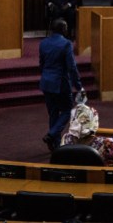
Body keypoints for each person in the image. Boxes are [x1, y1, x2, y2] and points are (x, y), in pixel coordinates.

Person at [39, 18, 83, 151]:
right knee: (67, 111)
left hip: (46, 82)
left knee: (53, 113)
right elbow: (71, 67)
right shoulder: (66, 44)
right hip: (60, 83)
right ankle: (52, 135)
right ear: (63, 29)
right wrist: (79, 86)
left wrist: (46, 76)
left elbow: (42, 64)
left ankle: (55, 145)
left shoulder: (43, 43)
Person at [61, 102, 113, 166]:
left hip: (73, 178)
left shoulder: (66, 139)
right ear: (94, 122)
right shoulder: (107, 144)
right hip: (98, 178)